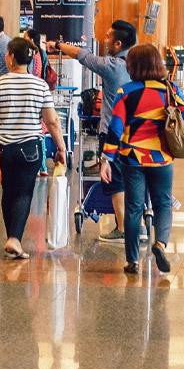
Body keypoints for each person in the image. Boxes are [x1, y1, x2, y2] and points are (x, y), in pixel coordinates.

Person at [101, 44, 184, 275]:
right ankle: (160, 244)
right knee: (162, 204)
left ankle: (132, 260)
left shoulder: (126, 91)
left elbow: (115, 128)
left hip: (132, 158)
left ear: (132, 66)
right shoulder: (169, 89)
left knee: (133, 208)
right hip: (161, 158)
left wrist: (106, 159)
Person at [0, 37, 68, 259]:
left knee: (8, 191)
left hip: (4, 148)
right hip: (30, 147)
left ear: (10, 57)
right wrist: (61, 147)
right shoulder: (40, 85)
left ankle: (12, 236)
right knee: (24, 192)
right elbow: (52, 121)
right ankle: (14, 239)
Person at [49, 20, 136, 240]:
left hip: (113, 132)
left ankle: (123, 229)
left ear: (117, 43)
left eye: (108, 36)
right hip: (137, 131)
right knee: (134, 178)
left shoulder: (112, 66)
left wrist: (57, 46)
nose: (104, 39)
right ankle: (138, 224)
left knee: (115, 180)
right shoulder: (139, 63)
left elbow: (82, 55)